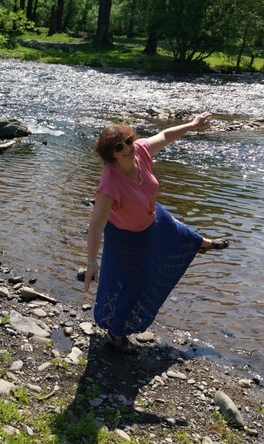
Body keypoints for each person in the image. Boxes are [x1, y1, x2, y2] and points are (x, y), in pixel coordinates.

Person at [84, 111, 230, 353]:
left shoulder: (140, 151)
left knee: (177, 231)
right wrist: (91, 262)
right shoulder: (110, 183)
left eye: (128, 141)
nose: (127, 148)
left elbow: (165, 135)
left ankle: (202, 243)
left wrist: (192, 125)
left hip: (152, 216)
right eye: (119, 147)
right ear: (111, 155)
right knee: (136, 284)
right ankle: (115, 334)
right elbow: (96, 224)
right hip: (127, 236)